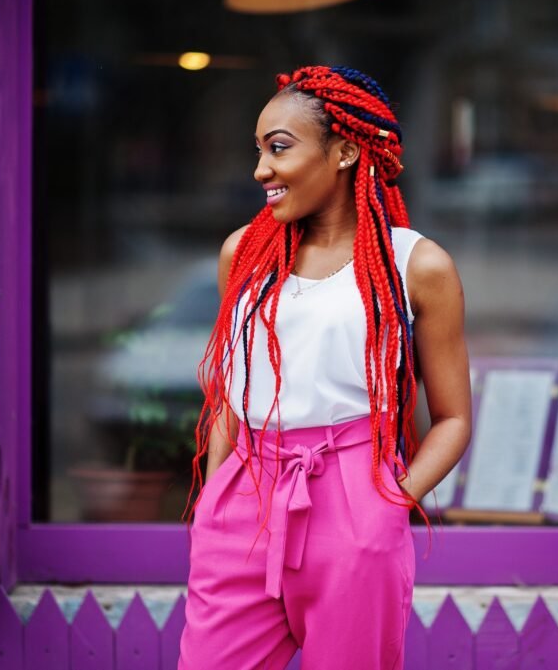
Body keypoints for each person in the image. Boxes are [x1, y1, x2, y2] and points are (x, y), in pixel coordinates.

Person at [177, 65, 472, 670]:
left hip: (354, 496)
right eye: (258, 150)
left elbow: (452, 419)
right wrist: (214, 503)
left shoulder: (415, 266)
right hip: (247, 497)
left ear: (343, 151)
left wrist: (389, 503)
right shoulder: (244, 253)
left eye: (279, 149)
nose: (261, 169)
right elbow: (235, 396)